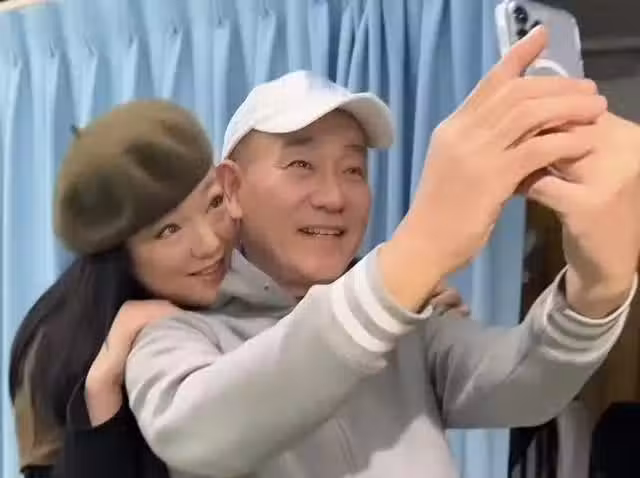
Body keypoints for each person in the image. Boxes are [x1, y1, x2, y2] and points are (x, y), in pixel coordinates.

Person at [124, 27, 640, 478]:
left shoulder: (411, 326)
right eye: (301, 165)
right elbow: (200, 434)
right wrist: (421, 249)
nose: (334, 197)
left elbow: (524, 388)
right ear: (232, 189)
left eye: (353, 169)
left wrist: (599, 285)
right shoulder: (176, 333)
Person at [8, 99, 242, 478]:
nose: (210, 243)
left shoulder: (253, 283)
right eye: (169, 230)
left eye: (213, 202)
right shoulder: (54, 351)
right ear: (117, 253)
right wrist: (101, 388)